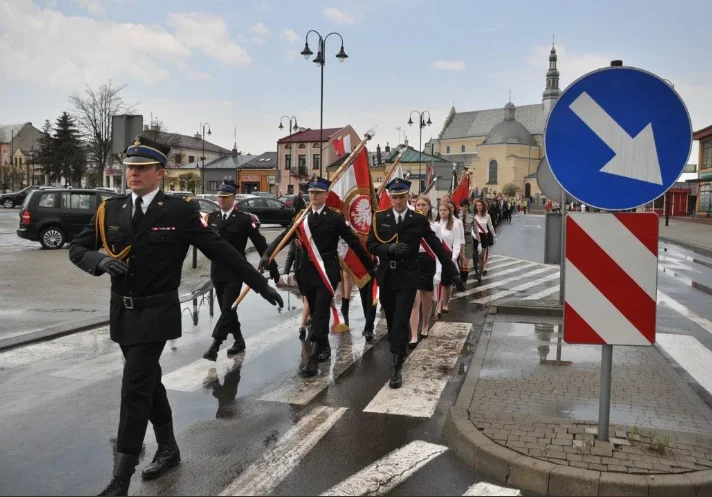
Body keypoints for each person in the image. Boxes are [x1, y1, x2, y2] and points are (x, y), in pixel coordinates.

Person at [68, 136, 284, 496]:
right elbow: (77, 248)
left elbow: (224, 252)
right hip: (123, 312)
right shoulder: (111, 210)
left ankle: (120, 481)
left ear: (160, 173)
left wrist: (262, 285)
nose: (133, 174)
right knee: (148, 381)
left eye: (141, 169)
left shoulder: (179, 211)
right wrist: (98, 260)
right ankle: (168, 447)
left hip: (157, 312)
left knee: (134, 387)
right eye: (130, 169)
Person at [259, 176, 376, 378]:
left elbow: (354, 242)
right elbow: (283, 237)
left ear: (325, 195)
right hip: (306, 273)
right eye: (310, 192)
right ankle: (325, 347)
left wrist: (370, 266)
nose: (313, 195)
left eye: (317, 192)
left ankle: (313, 360)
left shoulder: (335, 218)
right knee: (315, 311)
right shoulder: (300, 218)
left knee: (321, 312)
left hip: (327, 272)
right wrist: (268, 254)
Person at [367, 178, 465, 389]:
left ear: (407, 197)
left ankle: (396, 365)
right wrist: (388, 250)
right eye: (394, 197)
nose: (398, 201)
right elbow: (371, 244)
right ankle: (398, 348)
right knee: (392, 318)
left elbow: (437, 247)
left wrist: (454, 273)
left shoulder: (417, 219)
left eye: (402, 197)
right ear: (390, 198)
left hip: (407, 276)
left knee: (402, 317)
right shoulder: (380, 218)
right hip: (387, 276)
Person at [201, 184, 281, 361]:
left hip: (236, 272)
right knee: (226, 309)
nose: (221, 200)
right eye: (219, 197)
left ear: (233, 198)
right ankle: (238, 341)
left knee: (229, 306)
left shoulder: (243, 219)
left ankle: (215, 345)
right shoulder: (211, 218)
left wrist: (272, 266)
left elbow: (260, 244)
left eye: (226, 197)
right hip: (217, 271)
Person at [408, 195, 439, 345]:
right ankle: (413, 335)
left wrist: (439, 272)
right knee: (415, 300)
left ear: (429, 208)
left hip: (429, 261)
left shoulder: (435, 227)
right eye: (418, 205)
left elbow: (439, 251)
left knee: (427, 298)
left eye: (423, 205)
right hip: (414, 261)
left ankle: (425, 325)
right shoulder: (410, 225)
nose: (420, 208)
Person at [434, 202, 462, 316]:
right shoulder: (435, 224)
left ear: (449, 211)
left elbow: (457, 243)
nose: (442, 212)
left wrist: (454, 258)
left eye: (445, 210)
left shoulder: (454, 225)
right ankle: (438, 305)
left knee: (446, 282)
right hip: (436, 255)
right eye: (440, 210)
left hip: (448, 255)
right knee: (438, 281)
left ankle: (445, 303)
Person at [474, 198, 497, 278]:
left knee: (484, 253)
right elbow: (471, 228)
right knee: (476, 254)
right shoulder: (474, 216)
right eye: (477, 205)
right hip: (476, 236)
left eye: (480, 205)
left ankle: (483, 269)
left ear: (483, 206)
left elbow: (490, 227)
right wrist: (474, 235)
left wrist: (494, 236)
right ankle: (477, 267)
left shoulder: (487, 216)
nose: (478, 207)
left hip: (484, 235)